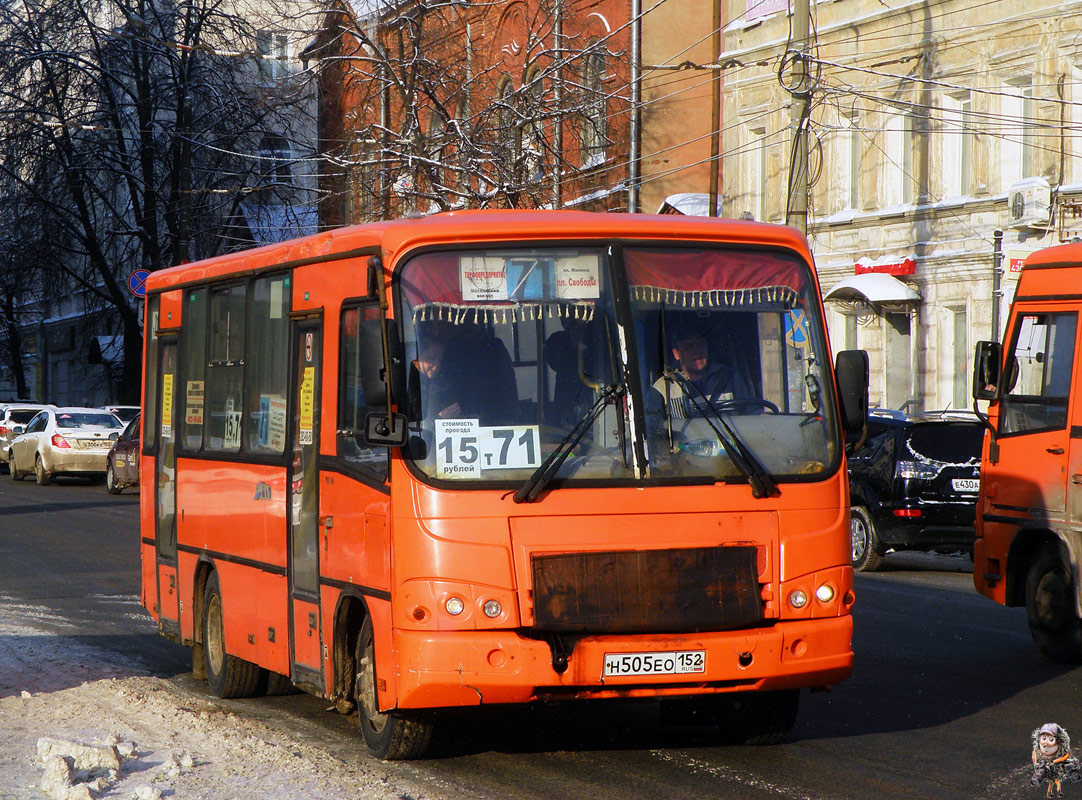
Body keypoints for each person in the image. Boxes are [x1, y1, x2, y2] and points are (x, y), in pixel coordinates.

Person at [651, 329, 755, 420]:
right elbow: (653, 431)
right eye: (689, 346)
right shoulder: (662, 389)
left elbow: (753, 414)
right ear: (676, 353)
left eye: (701, 344)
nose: (697, 351)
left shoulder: (731, 378)